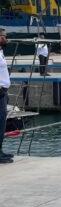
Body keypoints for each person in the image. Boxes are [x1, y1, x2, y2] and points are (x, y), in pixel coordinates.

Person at [0, 28, 13, 163]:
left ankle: (0, 150)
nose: (5, 38)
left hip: (3, 91)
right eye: (4, 36)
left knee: (2, 123)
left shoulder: (1, 52)